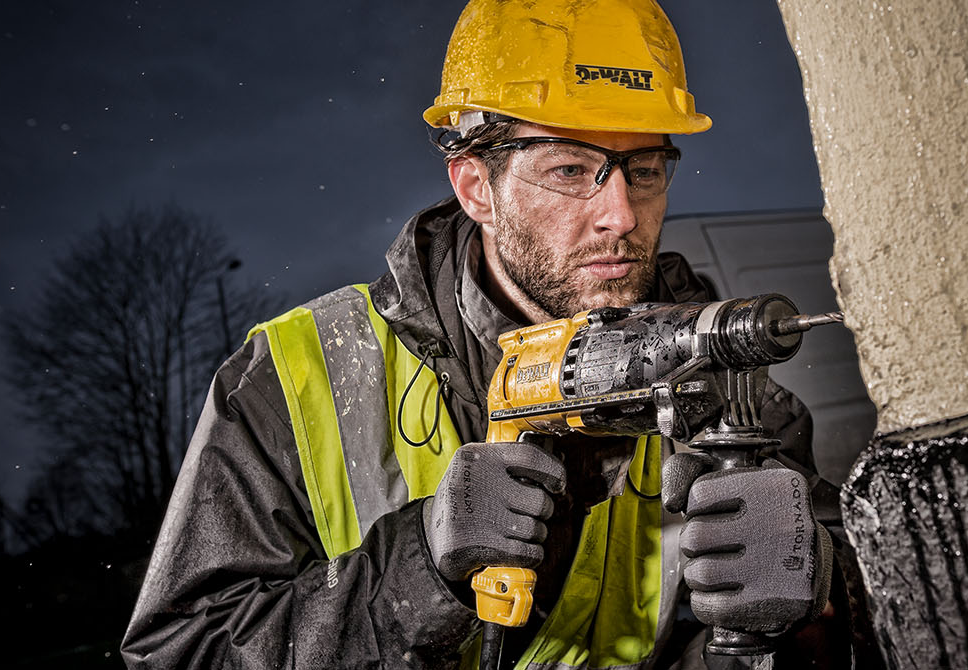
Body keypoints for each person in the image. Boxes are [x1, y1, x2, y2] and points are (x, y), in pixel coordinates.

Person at [122, 1, 880, 668]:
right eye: (568, 168)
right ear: (476, 185)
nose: (619, 214)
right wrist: (416, 569)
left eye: (644, 168)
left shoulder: (717, 380)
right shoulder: (297, 374)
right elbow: (181, 651)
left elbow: (868, 612)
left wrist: (821, 587)